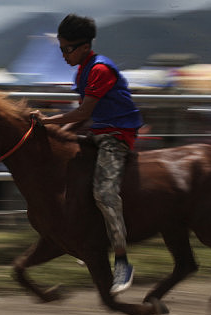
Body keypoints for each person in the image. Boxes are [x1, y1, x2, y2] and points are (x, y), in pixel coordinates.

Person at [30, 14, 143, 294]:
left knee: (104, 194)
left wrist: (47, 123)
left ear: (84, 46)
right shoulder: (82, 70)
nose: (63, 55)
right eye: (61, 49)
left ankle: (122, 261)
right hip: (98, 134)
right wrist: (58, 135)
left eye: (67, 49)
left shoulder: (100, 69)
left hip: (117, 137)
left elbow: (83, 113)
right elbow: (80, 119)